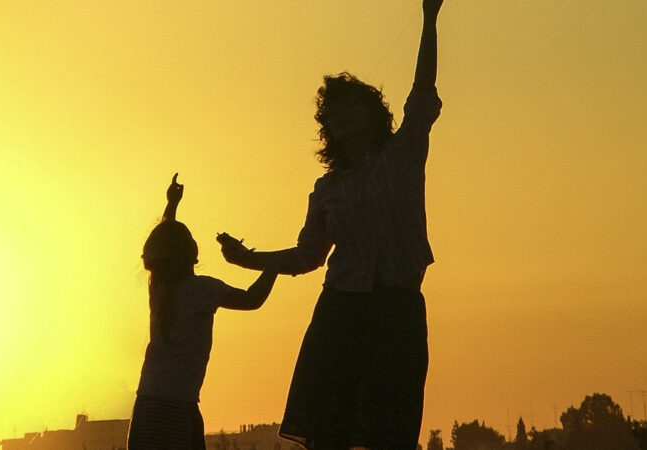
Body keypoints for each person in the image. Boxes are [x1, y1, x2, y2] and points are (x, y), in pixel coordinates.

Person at [217, 0, 444, 448]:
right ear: (329, 131)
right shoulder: (326, 190)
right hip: (339, 315)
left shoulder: (404, 153)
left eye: (350, 106)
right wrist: (247, 260)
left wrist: (429, 17)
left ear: (372, 112)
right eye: (333, 114)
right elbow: (307, 258)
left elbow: (422, 89)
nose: (342, 116)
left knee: (392, 429)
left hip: (397, 311)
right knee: (328, 432)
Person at [128, 174, 279, 450]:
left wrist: (171, 204)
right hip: (180, 405)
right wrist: (274, 265)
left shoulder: (158, 289)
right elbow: (252, 299)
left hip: (147, 405)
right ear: (191, 255)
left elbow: (166, 240)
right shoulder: (202, 290)